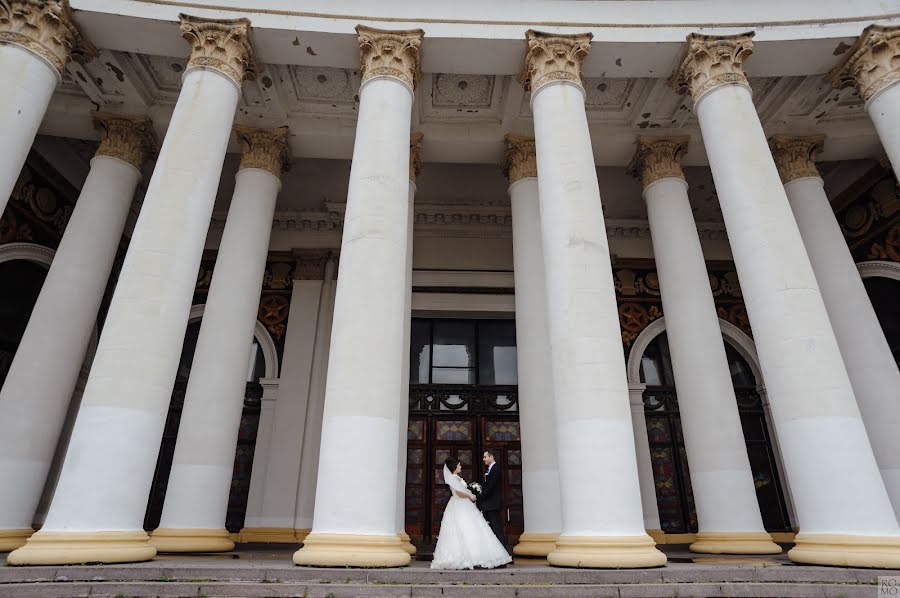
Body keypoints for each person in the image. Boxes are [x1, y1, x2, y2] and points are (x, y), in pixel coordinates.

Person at [431, 457, 512, 570]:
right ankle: (464, 557)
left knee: (471, 528)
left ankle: (474, 556)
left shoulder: (458, 478)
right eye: (459, 465)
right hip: (459, 505)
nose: (461, 466)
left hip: (464, 505)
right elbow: (458, 492)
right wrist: (470, 496)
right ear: (454, 467)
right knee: (462, 528)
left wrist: (473, 492)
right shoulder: (453, 478)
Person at [478, 450, 504, 546]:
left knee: (496, 528)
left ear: (491, 457)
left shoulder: (496, 469)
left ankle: (504, 553)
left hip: (493, 504)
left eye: (485, 457)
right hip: (488, 504)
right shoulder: (490, 469)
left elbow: (491, 486)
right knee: (489, 529)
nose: (483, 459)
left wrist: (480, 496)